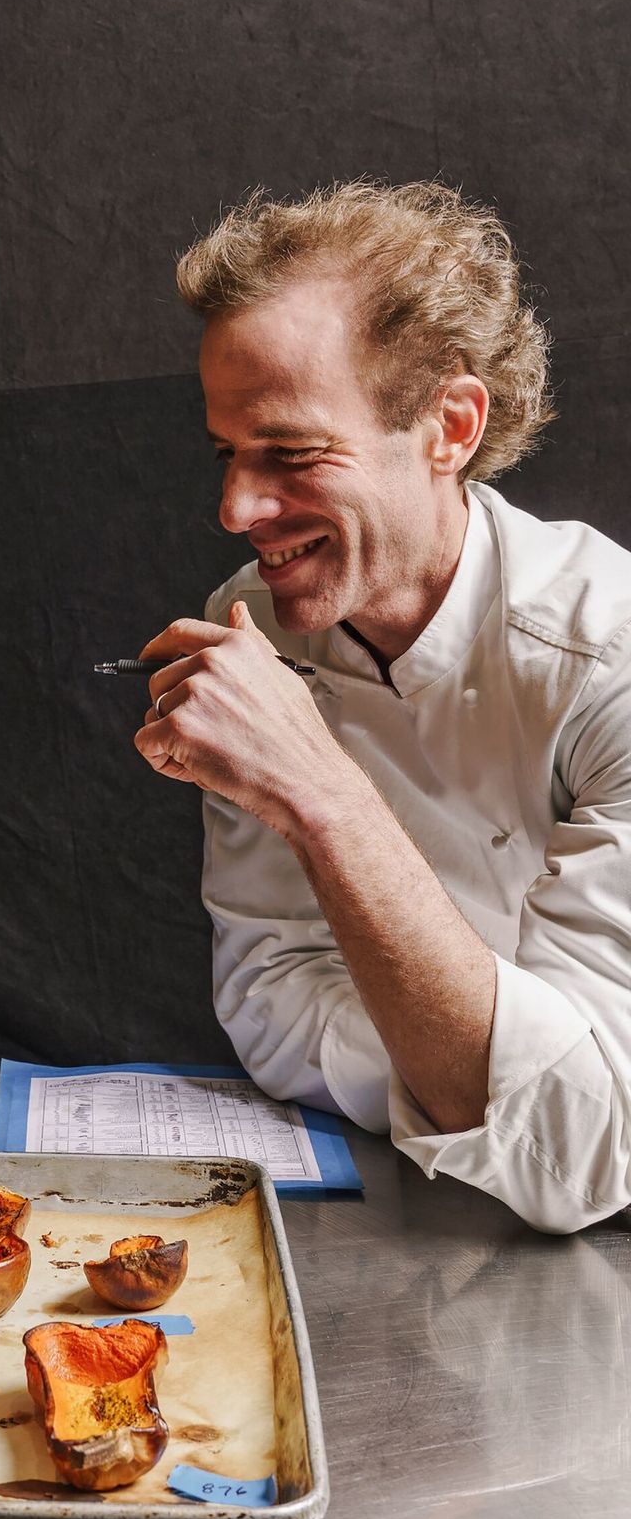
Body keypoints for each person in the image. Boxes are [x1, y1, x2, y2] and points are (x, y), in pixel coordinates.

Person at [134, 180, 631, 1234]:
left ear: (448, 426)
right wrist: (464, 1076)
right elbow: (269, 1004)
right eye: (227, 452)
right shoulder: (248, 620)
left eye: (292, 454)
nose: (235, 510)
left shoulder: (611, 660)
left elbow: (582, 1152)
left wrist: (319, 794)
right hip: (413, 1225)